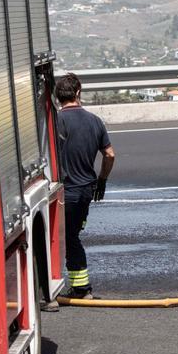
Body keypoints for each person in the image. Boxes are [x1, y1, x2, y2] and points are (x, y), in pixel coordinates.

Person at [55, 73, 115, 301]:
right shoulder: (94, 121)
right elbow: (109, 154)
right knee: (73, 235)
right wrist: (102, 180)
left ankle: (79, 289)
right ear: (78, 93)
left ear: (58, 97)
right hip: (86, 191)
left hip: (65, 192)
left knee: (66, 238)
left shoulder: (57, 122)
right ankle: (80, 287)